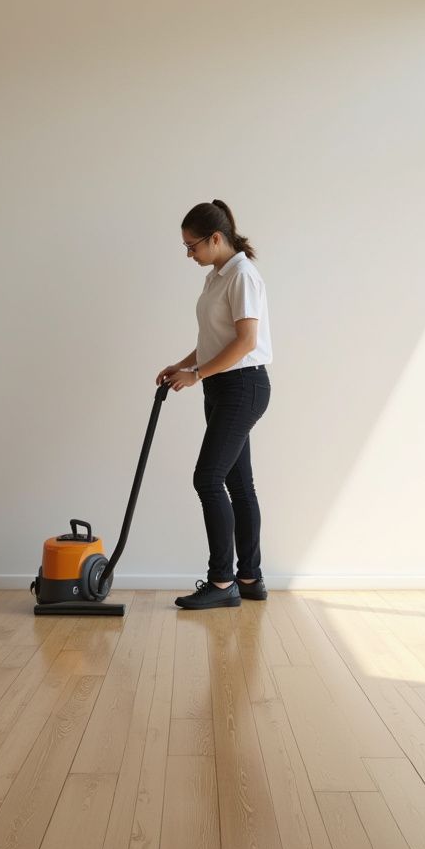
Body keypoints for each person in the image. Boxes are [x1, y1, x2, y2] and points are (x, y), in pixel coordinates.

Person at [156, 200, 273, 610]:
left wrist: (198, 374)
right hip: (224, 386)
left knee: (208, 479)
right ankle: (250, 577)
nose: (190, 254)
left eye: (193, 246)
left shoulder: (242, 275)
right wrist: (183, 364)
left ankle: (223, 582)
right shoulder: (216, 277)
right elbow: (216, 338)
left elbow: (245, 342)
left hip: (243, 385)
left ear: (216, 238)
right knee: (238, 484)